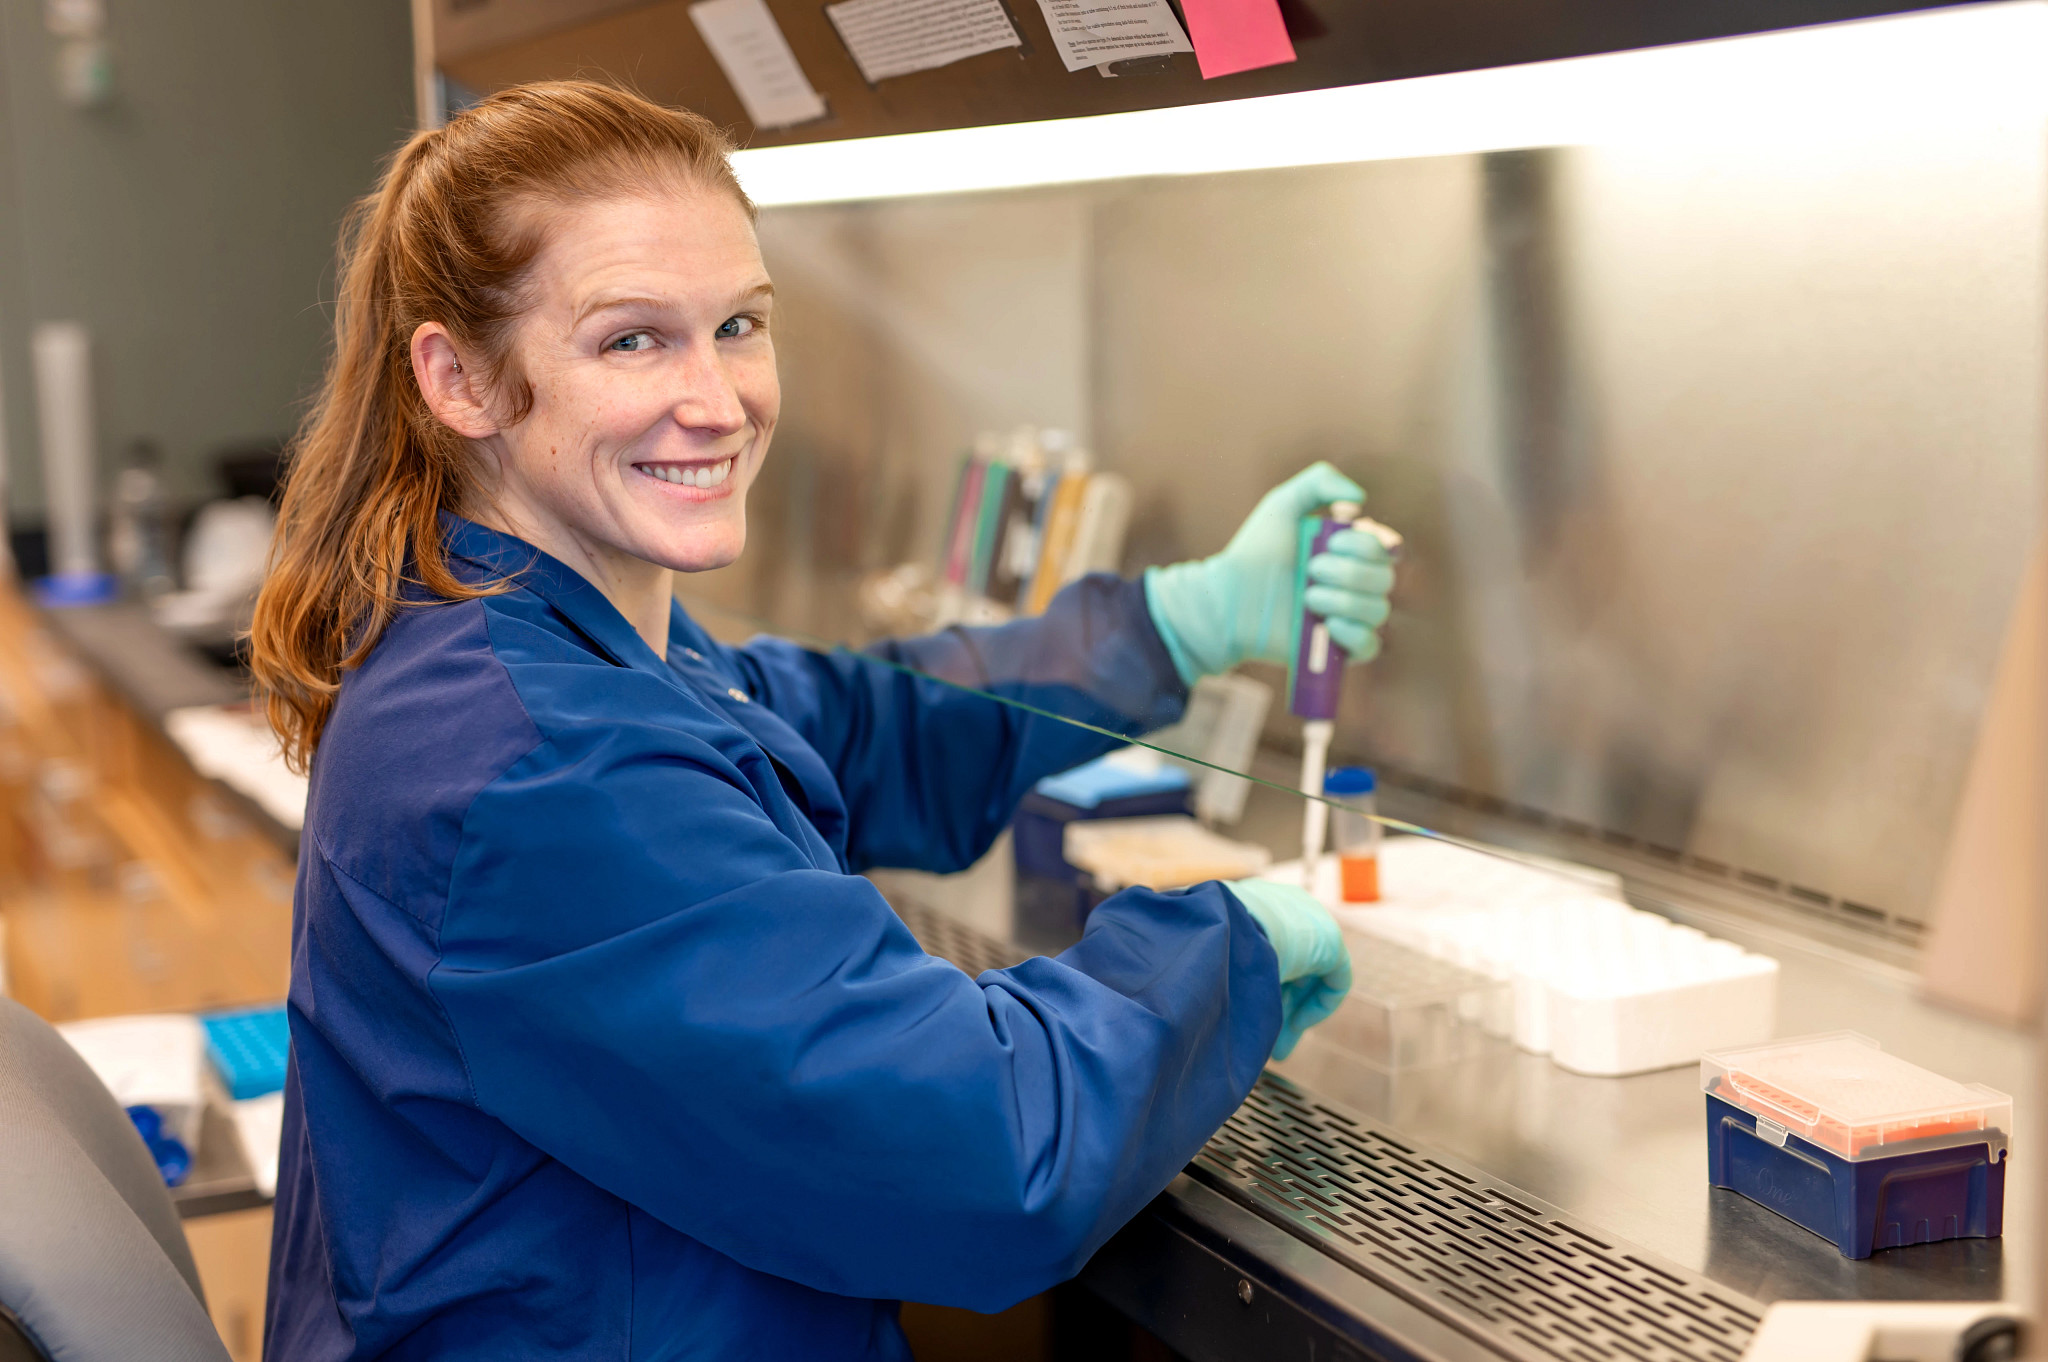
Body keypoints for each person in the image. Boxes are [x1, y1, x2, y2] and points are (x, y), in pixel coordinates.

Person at [248, 81, 1396, 1361]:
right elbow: (984, 1149)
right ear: (459, 379)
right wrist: (1221, 949)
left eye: (738, 324)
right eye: (633, 340)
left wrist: (1168, 626)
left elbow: (862, 724)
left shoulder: (551, 631)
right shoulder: (532, 759)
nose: (719, 398)